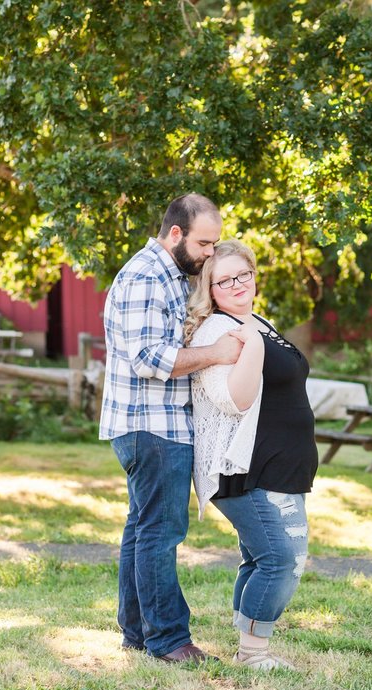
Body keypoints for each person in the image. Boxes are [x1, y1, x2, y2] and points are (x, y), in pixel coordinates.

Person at [99, 193, 247, 664]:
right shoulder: (147, 276)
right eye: (205, 243)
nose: (209, 254)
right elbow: (148, 359)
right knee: (161, 532)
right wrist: (218, 354)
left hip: (147, 426)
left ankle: (138, 633)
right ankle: (168, 641)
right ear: (176, 234)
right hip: (152, 427)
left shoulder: (165, 276)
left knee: (142, 529)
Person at [184, 239, 317, 671]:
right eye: (224, 280)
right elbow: (234, 400)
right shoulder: (219, 331)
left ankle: (249, 642)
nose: (237, 284)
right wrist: (255, 347)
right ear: (211, 289)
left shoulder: (255, 320)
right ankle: (252, 654)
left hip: (279, 468)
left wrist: (259, 338)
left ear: (254, 274)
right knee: (280, 559)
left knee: (265, 558)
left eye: (243, 274)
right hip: (245, 470)